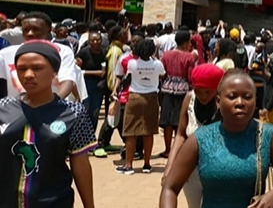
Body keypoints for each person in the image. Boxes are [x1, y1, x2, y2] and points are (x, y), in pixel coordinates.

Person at [159, 70, 273, 208]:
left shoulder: (268, 135)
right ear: (218, 101)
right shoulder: (201, 138)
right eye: (232, 96)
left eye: (247, 97)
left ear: (255, 100)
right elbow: (170, 187)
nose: (240, 102)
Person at [0, 41, 96, 208]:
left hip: (54, 201)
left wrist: (89, 205)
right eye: (22, 69)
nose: (28, 74)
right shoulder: (3, 107)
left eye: (37, 68)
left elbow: (80, 163)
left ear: (54, 72)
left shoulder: (73, 113)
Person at [162, 64, 225, 208]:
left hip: (220, 172)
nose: (202, 96)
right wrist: (169, 167)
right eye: (199, 91)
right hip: (191, 171)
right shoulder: (189, 98)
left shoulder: (226, 102)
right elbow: (180, 135)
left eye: (208, 92)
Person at [116, 39, 165, 174]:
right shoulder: (157, 64)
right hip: (151, 97)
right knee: (148, 131)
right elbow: (162, 73)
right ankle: (147, 164)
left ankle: (128, 165)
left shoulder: (132, 63)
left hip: (135, 97)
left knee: (131, 131)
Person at [159, 30, 198, 159]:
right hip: (183, 91)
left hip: (167, 89)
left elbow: (162, 73)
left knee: (167, 121)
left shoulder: (166, 55)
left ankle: (167, 149)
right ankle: (178, 149)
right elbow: (190, 77)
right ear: (186, 42)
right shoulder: (189, 57)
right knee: (180, 121)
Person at [75, 31, 107, 132]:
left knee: (95, 111)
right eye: (93, 40)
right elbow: (77, 69)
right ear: (89, 41)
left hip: (98, 86)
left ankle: (91, 134)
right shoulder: (83, 52)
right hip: (85, 84)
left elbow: (103, 73)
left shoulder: (104, 52)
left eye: (98, 40)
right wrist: (87, 72)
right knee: (85, 110)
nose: (96, 42)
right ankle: (82, 134)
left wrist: (85, 72)